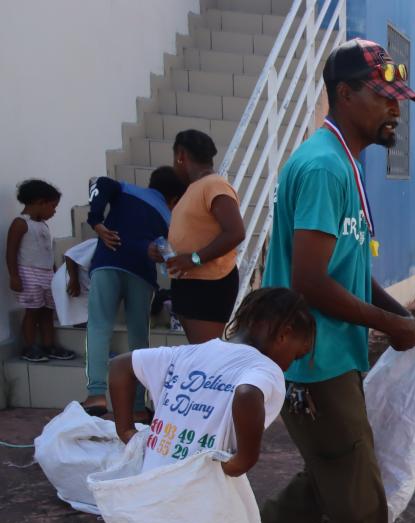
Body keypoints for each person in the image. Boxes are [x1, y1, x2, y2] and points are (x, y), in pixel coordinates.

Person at [258, 38, 415, 523]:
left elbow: (346, 270)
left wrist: (394, 313)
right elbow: (307, 282)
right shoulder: (324, 166)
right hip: (313, 360)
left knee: (326, 480)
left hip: (333, 356)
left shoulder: (344, 163)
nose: (394, 110)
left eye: (398, 99)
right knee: (358, 498)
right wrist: (391, 328)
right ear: (345, 93)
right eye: (383, 97)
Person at [109, 287, 314, 476]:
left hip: (151, 480)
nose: (289, 366)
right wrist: (244, 460)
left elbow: (120, 366)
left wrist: (127, 431)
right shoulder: (265, 369)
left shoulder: (187, 353)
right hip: (199, 489)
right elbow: (247, 393)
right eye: (296, 356)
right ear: (284, 334)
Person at [81, 166, 187, 418]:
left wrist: (96, 220)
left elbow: (101, 182)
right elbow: (166, 255)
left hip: (107, 264)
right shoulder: (169, 218)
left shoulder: (126, 189)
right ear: (174, 200)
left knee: (98, 326)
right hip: (141, 275)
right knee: (139, 339)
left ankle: (96, 394)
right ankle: (138, 407)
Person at [149, 128, 246, 344]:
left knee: (207, 356)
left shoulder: (214, 184)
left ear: (181, 156)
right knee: (200, 353)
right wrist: (164, 253)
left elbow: (236, 232)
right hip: (190, 284)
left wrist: (194, 259)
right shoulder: (194, 188)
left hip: (209, 285)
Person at [7, 179, 74, 363]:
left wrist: (54, 275)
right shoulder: (21, 224)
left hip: (46, 275)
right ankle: (29, 347)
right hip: (29, 275)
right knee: (32, 311)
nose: (54, 211)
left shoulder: (43, 225)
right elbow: (11, 251)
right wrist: (14, 275)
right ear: (39, 202)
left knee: (47, 312)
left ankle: (48, 345)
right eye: (52, 206)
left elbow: (47, 252)